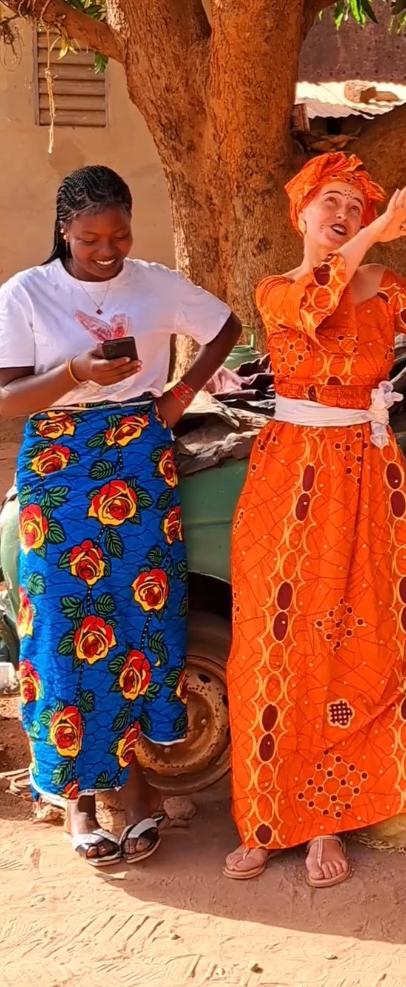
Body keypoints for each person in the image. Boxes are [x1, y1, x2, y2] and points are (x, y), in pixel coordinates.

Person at [224, 153, 406, 886]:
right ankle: (263, 817)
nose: (342, 214)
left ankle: (327, 823)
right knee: (271, 644)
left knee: (353, 643)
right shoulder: (278, 290)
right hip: (291, 475)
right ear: (302, 213)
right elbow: (316, 304)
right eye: (331, 203)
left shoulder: (386, 287)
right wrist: (377, 231)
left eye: (356, 205)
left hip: (366, 476)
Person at [0, 166, 241, 866]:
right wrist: (76, 373)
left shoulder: (155, 283)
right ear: (64, 231)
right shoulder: (27, 294)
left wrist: (177, 394)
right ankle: (77, 795)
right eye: (91, 238)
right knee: (64, 626)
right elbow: (8, 400)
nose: (107, 250)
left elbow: (225, 327)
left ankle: (136, 790)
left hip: (139, 456)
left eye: (119, 235)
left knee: (139, 617)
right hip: (57, 464)